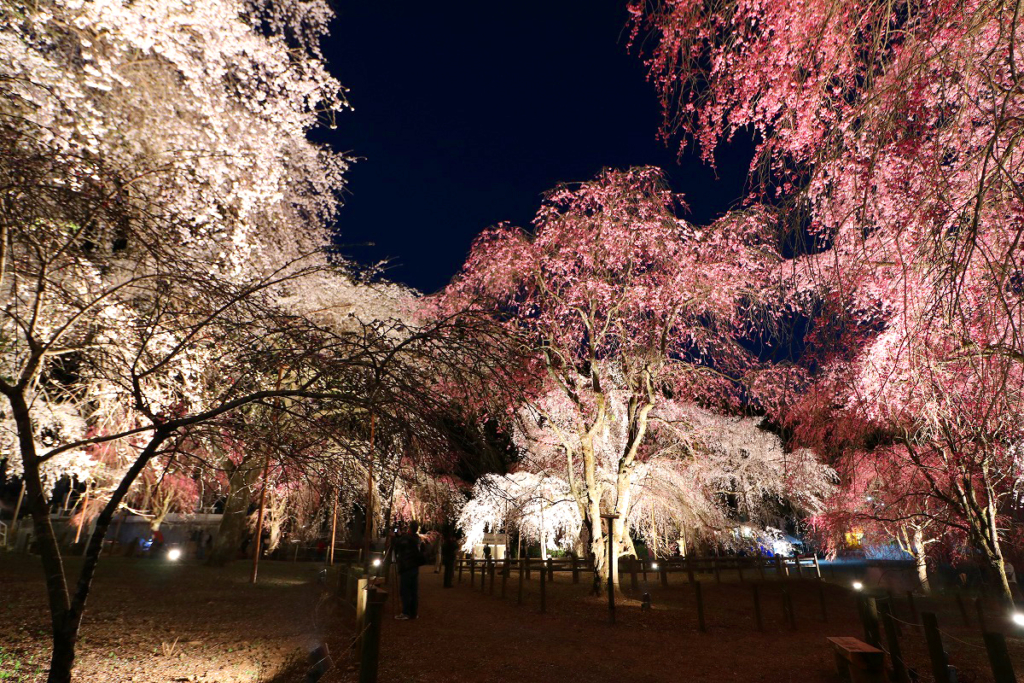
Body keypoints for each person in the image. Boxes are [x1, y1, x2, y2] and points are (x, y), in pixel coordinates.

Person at [393, 521, 425, 620]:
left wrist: (395, 536)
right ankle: (413, 613)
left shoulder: (406, 539)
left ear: (409, 528)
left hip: (406, 567)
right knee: (413, 590)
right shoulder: (417, 539)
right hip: (414, 567)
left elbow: (397, 545)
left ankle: (405, 612)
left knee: (405, 590)